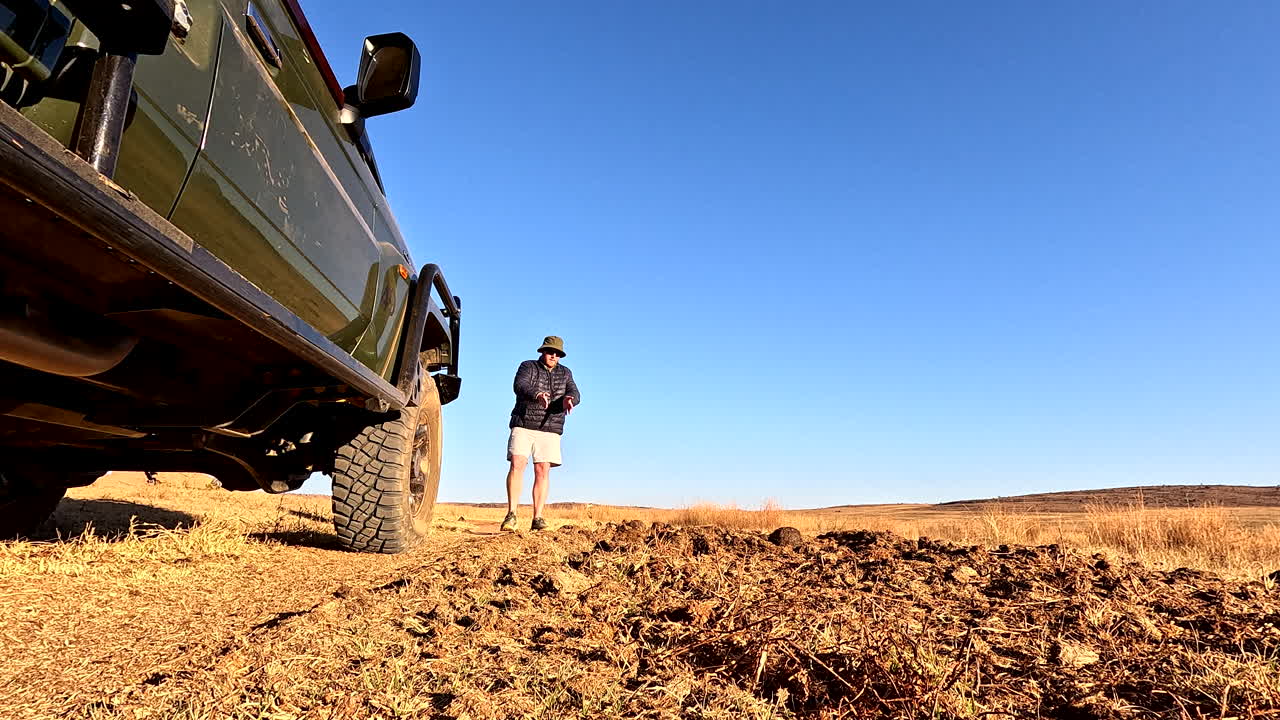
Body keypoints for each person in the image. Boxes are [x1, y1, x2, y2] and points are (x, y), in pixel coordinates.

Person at [501, 335, 581, 532]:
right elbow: (520, 385)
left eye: (557, 353)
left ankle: (538, 518)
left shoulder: (566, 373)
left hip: (551, 427)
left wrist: (570, 399)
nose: (553, 356)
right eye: (550, 352)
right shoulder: (528, 366)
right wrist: (537, 395)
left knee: (542, 470)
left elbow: (575, 392)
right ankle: (511, 515)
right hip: (524, 422)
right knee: (518, 463)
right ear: (542, 351)